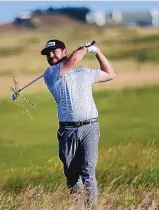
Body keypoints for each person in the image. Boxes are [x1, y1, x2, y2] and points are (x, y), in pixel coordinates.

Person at [41, 39, 116, 206]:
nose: (51, 55)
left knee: (88, 170)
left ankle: (92, 207)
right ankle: (78, 207)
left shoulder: (83, 71)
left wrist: (96, 52)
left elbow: (110, 73)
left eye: (54, 51)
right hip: (68, 130)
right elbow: (73, 60)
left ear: (65, 51)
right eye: (48, 53)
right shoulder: (51, 73)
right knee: (72, 175)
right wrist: (85, 48)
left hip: (90, 126)